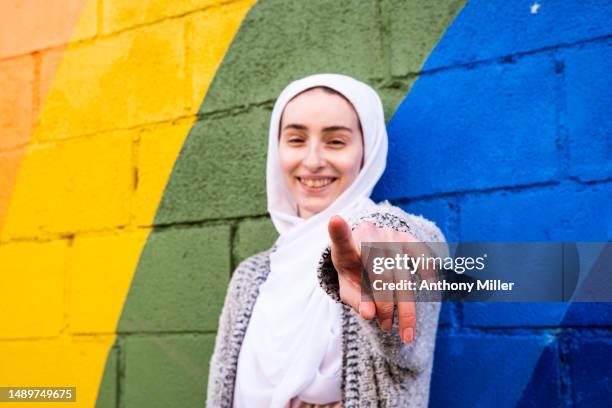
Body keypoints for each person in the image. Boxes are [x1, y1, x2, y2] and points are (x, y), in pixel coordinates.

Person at [206, 73, 447, 408]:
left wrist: (378, 234)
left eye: (336, 142)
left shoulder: (386, 241)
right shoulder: (250, 277)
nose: (313, 161)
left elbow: (414, 251)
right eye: (295, 140)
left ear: (367, 150)